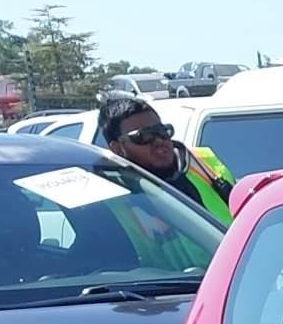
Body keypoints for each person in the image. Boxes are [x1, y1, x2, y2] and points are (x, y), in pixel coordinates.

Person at [96, 90, 233, 224]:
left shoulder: (202, 161)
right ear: (118, 148)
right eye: (143, 135)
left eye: (161, 131)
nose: (158, 141)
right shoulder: (117, 200)